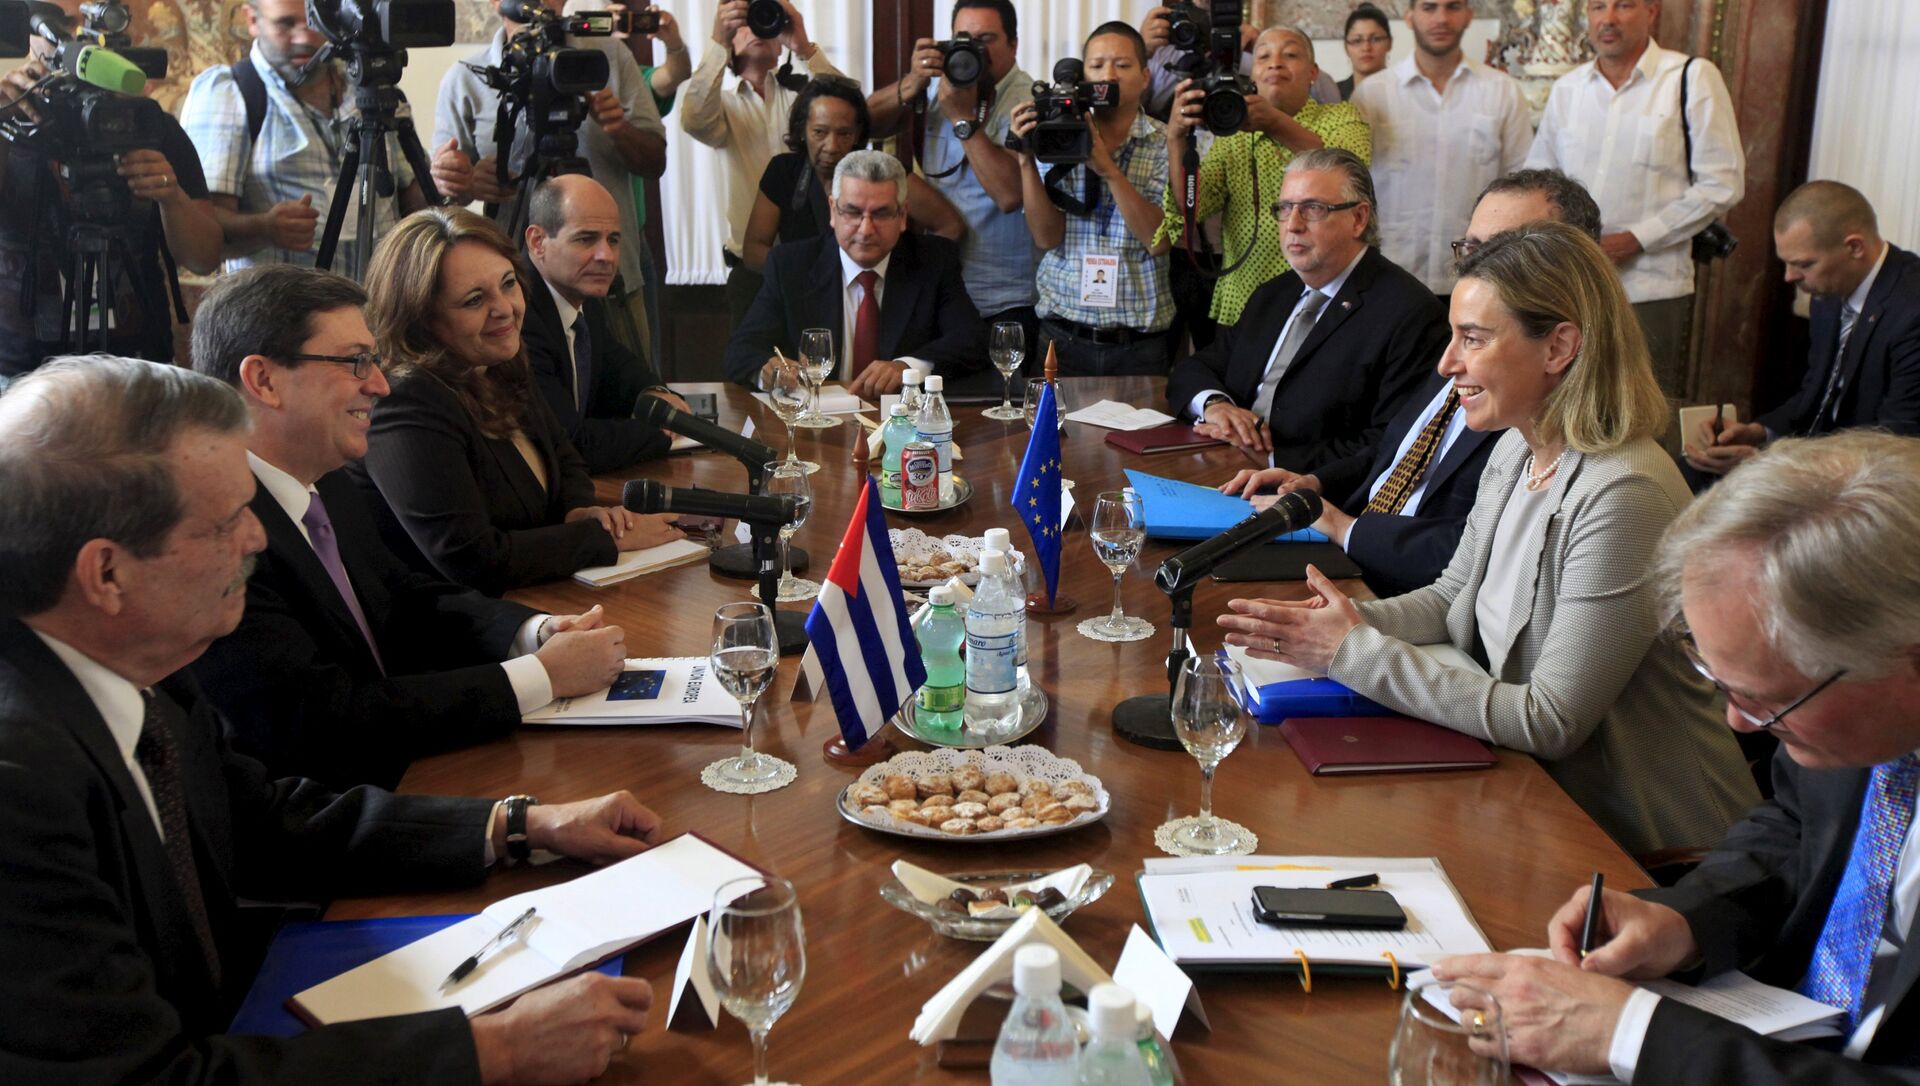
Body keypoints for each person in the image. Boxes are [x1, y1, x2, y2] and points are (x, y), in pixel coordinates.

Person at [0, 355, 665, 1084]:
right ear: (106, 574)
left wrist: (524, 824)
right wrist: (495, 1050)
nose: (258, 540)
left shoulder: (136, 660)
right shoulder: (20, 788)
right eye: (226, 523)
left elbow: (264, 821)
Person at [1219, 222, 1757, 856]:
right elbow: (1453, 597)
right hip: (1532, 801)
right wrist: (1329, 625)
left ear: (1559, 347)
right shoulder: (1514, 449)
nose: (1447, 363)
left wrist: (1351, 650)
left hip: (1646, 846)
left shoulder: (1623, 492)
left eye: (1472, 339)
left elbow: (1550, 719)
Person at [1433, 430, 1920, 1082]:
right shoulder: (1856, 714)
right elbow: (1797, 826)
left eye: (1766, 699)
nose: (1737, 721)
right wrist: (1685, 919)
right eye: (1717, 680)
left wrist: (1632, 1033)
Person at [185, 264, 629, 789]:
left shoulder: (325, 478)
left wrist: (533, 633)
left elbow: (404, 597)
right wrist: (541, 676)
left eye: (373, 360)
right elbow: (325, 723)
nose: (379, 384)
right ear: (264, 380)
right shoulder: (214, 535)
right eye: (355, 362)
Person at [1220, 168, 1602, 597]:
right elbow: (1396, 451)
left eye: (1503, 252)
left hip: (1397, 587)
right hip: (1353, 558)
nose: (1476, 270)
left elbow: (1475, 556)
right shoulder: (1466, 347)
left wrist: (1346, 529)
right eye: (1472, 249)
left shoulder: (1543, 390)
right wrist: (1316, 483)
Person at [350, 208, 684, 595]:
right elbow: (471, 559)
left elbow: (566, 458)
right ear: (420, 318)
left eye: (508, 284)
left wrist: (580, 509)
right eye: (475, 300)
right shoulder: (405, 400)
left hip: (540, 596)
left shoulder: (499, 362)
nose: (505, 309)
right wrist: (602, 538)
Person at [1166, 149, 1444, 474]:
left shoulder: (1411, 313)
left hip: (1311, 491)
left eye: (1313, 208)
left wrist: (1271, 461)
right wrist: (1216, 405)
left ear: (1358, 219)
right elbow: (1197, 367)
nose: (1293, 225)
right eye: (1285, 208)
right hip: (1221, 464)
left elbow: (1392, 442)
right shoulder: (1274, 294)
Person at [1525, 0, 1744, 397]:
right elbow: (1539, 182)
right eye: (1597, 7)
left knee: (1644, 409)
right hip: (1571, 287)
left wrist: (1635, 239)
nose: (1608, 19)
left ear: (1652, 12)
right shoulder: (1568, 89)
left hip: (1649, 287)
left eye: (1623, 5)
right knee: (1566, 405)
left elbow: (1722, 182)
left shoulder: (1689, 77)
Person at [431, 0, 668, 360]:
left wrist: (619, 129)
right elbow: (447, 189)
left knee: (633, 385)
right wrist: (463, 182)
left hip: (608, 272)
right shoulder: (467, 77)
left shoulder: (609, 55)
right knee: (519, 389)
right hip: (512, 283)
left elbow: (654, 163)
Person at [0, 49, 221, 375]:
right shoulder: (10, 124)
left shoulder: (148, 125)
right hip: (21, 369)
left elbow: (204, 258)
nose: (74, 42)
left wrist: (171, 197)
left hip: (139, 363)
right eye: (58, 29)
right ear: (31, 38)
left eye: (82, 29)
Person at [1687, 181, 1920, 476]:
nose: (1789, 277)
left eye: (1804, 264)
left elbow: (1897, 442)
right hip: (1817, 461)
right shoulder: (1830, 289)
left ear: (1855, 247)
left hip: (1872, 477)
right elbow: (1816, 394)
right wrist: (1759, 433)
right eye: (1786, 263)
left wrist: (1771, 466)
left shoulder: (1912, 309)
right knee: (1689, 470)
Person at [180, 0, 428, 276]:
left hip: (381, 295)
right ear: (252, 20)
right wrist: (264, 228)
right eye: (285, 24)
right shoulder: (229, 93)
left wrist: (442, 181)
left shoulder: (370, 85)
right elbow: (202, 231)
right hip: (287, 298)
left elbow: (410, 203)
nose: (304, 38)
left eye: (315, 22)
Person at [1152, 25, 1372, 329]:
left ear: (1313, 72)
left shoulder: (1342, 116)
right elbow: (1193, 207)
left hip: (1326, 303)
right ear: (1252, 75)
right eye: (1263, 57)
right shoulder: (1234, 134)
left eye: (1290, 55)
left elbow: (1349, 170)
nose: (1275, 63)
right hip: (1244, 304)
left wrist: (1273, 123)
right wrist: (1176, 138)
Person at [725, 150, 985, 398]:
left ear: (903, 216)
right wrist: (769, 370)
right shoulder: (792, 265)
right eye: (852, 212)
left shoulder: (933, 260)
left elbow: (972, 340)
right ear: (833, 211)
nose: (866, 229)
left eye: (881, 213)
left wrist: (907, 368)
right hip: (817, 419)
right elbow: (741, 351)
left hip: (903, 420)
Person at [866, 0, 1040, 347]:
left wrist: (962, 118)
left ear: (1013, 44)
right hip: (940, 289)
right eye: (964, 39)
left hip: (1005, 298)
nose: (975, 50)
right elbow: (862, 125)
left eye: (986, 39)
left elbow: (1010, 194)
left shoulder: (1029, 101)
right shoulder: (941, 85)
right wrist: (911, 83)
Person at [1011, 22, 1173, 376]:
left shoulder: (1165, 142)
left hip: (1138, 344)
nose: (1109, 75)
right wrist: (1025, 159)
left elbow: (1159, 240)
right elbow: (1046, 237)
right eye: (1097, 65)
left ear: (1145, 77)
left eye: (1123, 65)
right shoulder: (1057, 134)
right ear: (1082, 78)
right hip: (1063, 334)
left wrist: (1108, 170)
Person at [681, 0, 847, 330]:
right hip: (753, 270)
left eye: (763, 17)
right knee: (753, 360)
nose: (755, 29)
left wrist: (804, 47)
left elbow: (850, 111)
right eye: (744, 21)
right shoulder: (722, 105)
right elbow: (694, 119)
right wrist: (718, 41)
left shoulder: (805, 98)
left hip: (819, 262)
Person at [1351, 0, 1533, 298]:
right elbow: (1353, 187)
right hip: (1389, 276)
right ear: (1409, 17)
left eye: (1453, 7)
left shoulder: (1502, 91)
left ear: (1468, 16)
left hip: (1478, 277)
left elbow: (1521, 188)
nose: (1441, 18)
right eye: (1429, 7)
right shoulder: (1372, 95)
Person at [521, 175, 689, 473]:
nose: (607, 256)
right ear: (538, 242)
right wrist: (661, 432)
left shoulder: (584, 298)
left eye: (613, 240)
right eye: (586, 239)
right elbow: (570, 443)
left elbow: (619, 367)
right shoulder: (518, 315)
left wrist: (653, 391)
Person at [741, 78, 964, 272]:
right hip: (804, 293)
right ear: (802, 130)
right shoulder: (784, 172)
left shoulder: (884, 172)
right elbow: (753, 251)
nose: (832, 146)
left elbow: (950, 226)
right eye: (819, 132)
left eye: (844, 134)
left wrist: (908, 280)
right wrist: (808, 274)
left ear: (858, 134)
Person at [1138, 6, 1256, 119]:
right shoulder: (1158, 47)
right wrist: (1140, 54)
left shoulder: (1247, 44)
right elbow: (1134, 117)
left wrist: (1259, 49)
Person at [1338, 4, 1393, 100]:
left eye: (1375, 39)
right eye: (1357, 40)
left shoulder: (1406, 93)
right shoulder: (1331, 95)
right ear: (1346, 47)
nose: (1366, 48)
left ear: (1390, 43)